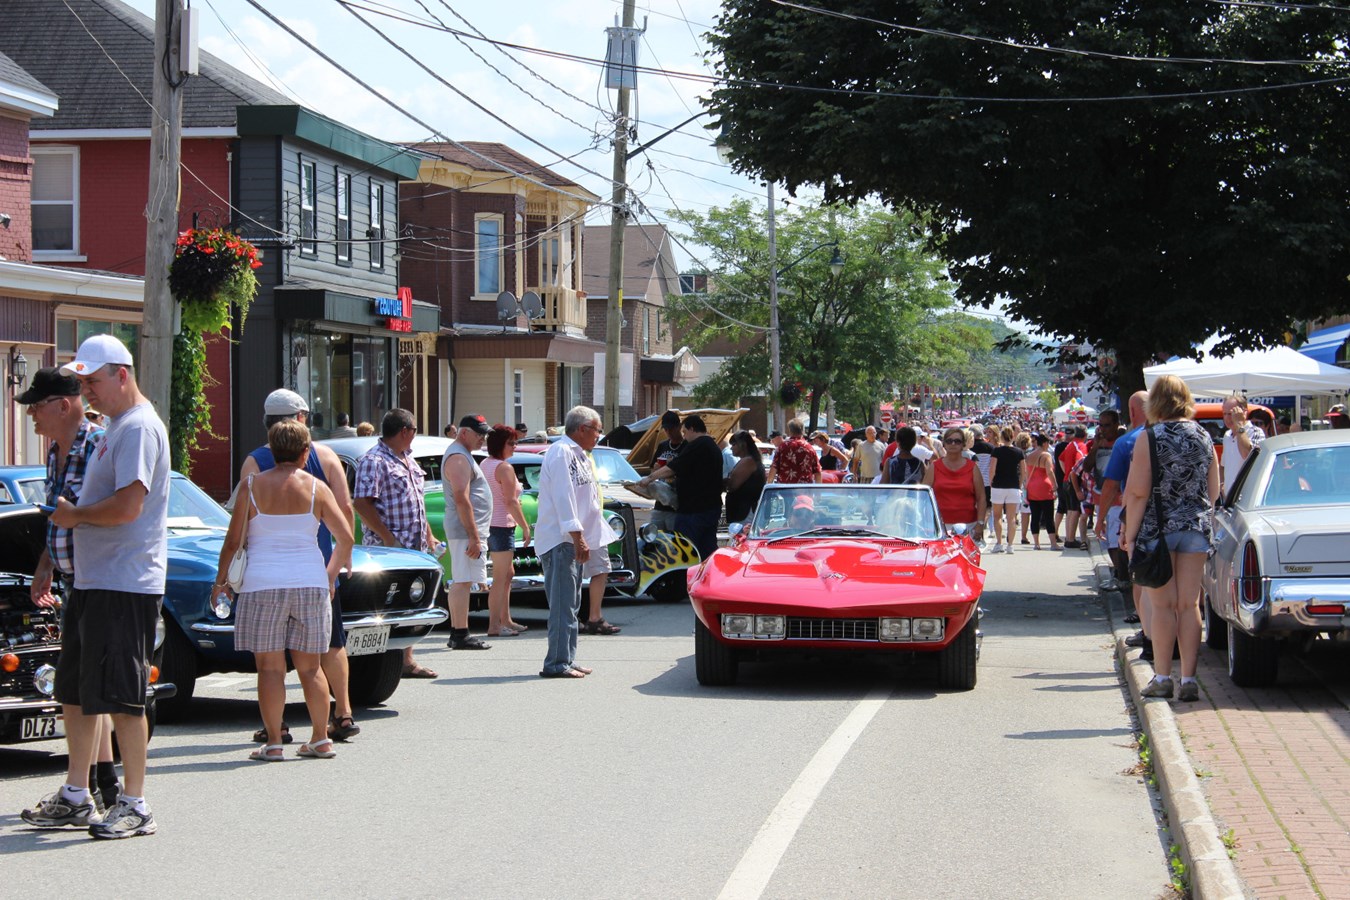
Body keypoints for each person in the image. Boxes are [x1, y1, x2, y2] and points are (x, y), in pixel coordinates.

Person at [23, 335, 168, 839]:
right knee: (77, 693)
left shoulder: (139, 428)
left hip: (124, 583)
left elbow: (129, 506)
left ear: (122, 375)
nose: (87, 391)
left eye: (93, 381)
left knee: (124, 697)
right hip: (94, 580)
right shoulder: (115, 428)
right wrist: (62, 537)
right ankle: (76, 794)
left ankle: (135, 803)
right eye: (81, 382)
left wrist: (75, 517)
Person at [217, 419, 354, 761]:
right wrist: (330, 572)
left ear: (271, 450)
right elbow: (346, 538)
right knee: (311, 668)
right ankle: (321, 737)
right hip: (310, 583)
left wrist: (220, 580)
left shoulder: (251, 487)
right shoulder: (317, 488)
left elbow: (234, 541)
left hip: (263, 584)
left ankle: (275, 741)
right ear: (306, 452)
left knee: (270, 669)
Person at [18, 368, 120, 812]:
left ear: (64, 404)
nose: (31, 416)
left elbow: (118, 510)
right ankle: (100, 784)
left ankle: (92, 789)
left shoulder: (98, 445)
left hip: (101, 578)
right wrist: (45, 563)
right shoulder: (55, 451)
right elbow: (55, 515)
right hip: (72, 579)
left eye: (37, 406)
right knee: (79, 686)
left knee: (84, 688)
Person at [1121, 375, 1219, 703]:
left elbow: (1137, 491)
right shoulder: (1203, 434)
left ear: (1156, 402)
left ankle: (1163, 676)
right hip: (1195, 527)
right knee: (1189, 605)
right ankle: (1189, 679)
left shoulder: (1150, 437)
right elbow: (1214, 489)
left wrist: (1130, 535)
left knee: (1162, 605)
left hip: (1157, 530)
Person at [352, 409, 440, 677]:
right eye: (414, 430)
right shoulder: (375, 460)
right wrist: (388, 537)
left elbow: (417, 500)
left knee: (411, 603)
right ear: (405, 431)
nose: (415, 435)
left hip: (413, 547)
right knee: (384, 604)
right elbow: (362, 503)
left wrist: (428, 532)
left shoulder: (408, 460)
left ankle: (407, 660)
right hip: (387, 550)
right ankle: (377, 664)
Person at [535, 406, 615, 678]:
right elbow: (564, 498)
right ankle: (556, 663)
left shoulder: (579, 455)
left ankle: (566, 658)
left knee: (572, 604)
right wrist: (577, 536)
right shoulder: (562, 453)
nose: (599, 436)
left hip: (573, 541)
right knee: (562, 605)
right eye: (597, 430)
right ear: (582, 429)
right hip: (562, 541)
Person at [1097, 391, 1151, 642]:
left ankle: (1148, 633)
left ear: (1131, 412)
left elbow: (1113, 485)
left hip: (1139, 515)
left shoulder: (1129, 441)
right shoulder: (1195, 436)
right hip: (1183, 519)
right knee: (1184, 596)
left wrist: (1102, 518)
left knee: (1141, 576)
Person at [440, 415, 495, 651]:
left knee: (464, 580)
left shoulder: (464, 455)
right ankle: (460, 633)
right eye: (478, 433)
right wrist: (473, 536)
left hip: (468, 530)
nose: (483, 438)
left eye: (484, 433)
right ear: (464, 433)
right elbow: (462, 498)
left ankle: (459, 632)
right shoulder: (458, 457)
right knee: (462, 581)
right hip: (465, 531)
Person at [639, 414, 724, 558]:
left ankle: (686, 579)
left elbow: (674, 467)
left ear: (692, 429)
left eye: (684, 432)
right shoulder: (713, 447)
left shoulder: (698, 445)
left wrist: (650, 478)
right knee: (707, 550)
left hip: (694, 511)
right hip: (710, 508)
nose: (684, 436)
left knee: (685, 550)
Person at [481, 424, 531, 637]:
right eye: (510, 443)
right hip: (501, 525)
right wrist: (525, 527)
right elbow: (511, 501)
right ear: (500, 444)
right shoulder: (504, 467)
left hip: (492, 523)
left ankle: (506, 619)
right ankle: (494, 625)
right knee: (501, 577)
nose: (515, 446)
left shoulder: (485, 463)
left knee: (507, 573)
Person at [923, 426, 987, 540]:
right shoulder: (934, 467)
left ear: (963, 445)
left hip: (968, 526)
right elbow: (924, 496)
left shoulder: (972, 467)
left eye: (957, 441)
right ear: (944, 444)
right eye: (949, 441)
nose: (953, 444)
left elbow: (981, 497)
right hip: (938, 526)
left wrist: (980, 524)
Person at [987, 426, 1025, 554]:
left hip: (998, 485)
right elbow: (1023, 471)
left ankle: (999, 543)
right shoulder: (1019, 452)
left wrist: (991, 482)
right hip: (1013, 486)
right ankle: (1010, 545)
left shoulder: (997, 451)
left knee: (997, 516)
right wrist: (1019, 484)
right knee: (1011, 517)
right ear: (1013, 437)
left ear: (1002, 437)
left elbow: (992, 468)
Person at [647, 411, 685, 533]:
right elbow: (652, 468)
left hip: (677, 504)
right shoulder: (663, 446)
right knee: (654, 538)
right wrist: (657, 469)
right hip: (660, 502)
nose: (668, 432)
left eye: (671, 429)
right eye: (666, 429)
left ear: (679, 427)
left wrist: (672, 467)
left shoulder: (686, 446)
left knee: (674, 541)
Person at [1220, 394, 1265, 498]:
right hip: (1229, 499)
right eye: (1225, 414)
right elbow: (1223, 465)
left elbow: (1247, 455)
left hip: (1247, 498)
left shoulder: (1256, 432)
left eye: (1231, 413)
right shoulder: (1227, 435)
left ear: (1244, 412)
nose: (1227, 418)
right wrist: (1222, 485)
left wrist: (1239, 425)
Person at [1025, 434, 1060, 550]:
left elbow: (1026, 473)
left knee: (1035, 516)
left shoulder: (1029, 456)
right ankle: (1053, 544)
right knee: (1049, 516)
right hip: (1044, 488)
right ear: (1045, 443)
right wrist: (1055, 486)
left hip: (1032, 488)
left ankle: (1036, 544)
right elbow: (1049, 472)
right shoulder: (1046, 455)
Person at [724, 430, 766, 525]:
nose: (731, 448)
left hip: (745, 512)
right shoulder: (750, 460)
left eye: (734, 444)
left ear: (743, 445)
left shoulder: (748, 461)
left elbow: (732, 486)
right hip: (744, 511)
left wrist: (725, 482)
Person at [1057, 426, 1089, 548]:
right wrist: (1072, 474)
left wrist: (1067, 472)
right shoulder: (1081, 446)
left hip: (1067, 480)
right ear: (1085, 435)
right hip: (1074, 481)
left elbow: (1061, 459)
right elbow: (1080, 462)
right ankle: (1070, 539)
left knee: (1070, 510)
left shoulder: (1070, 445)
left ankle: (1069, 538)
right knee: (1075, 510)